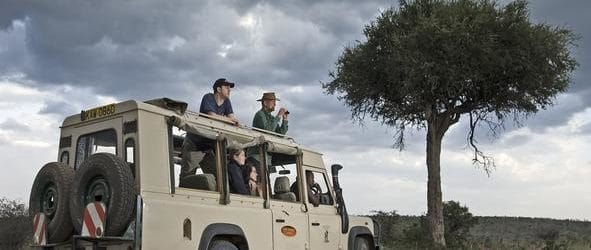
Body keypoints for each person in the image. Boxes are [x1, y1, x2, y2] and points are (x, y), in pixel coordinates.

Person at [180, 78, 239, 182]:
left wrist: (234, 122)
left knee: (219, 177)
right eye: (227, 87)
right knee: (187, 177)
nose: (230, 90)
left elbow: (232, 118)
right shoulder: (208, 97)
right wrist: (229, 120)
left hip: (208, 146)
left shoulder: (227, 102)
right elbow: (211, 116)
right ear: (219, 89)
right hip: (195, 144)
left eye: (230, 88)